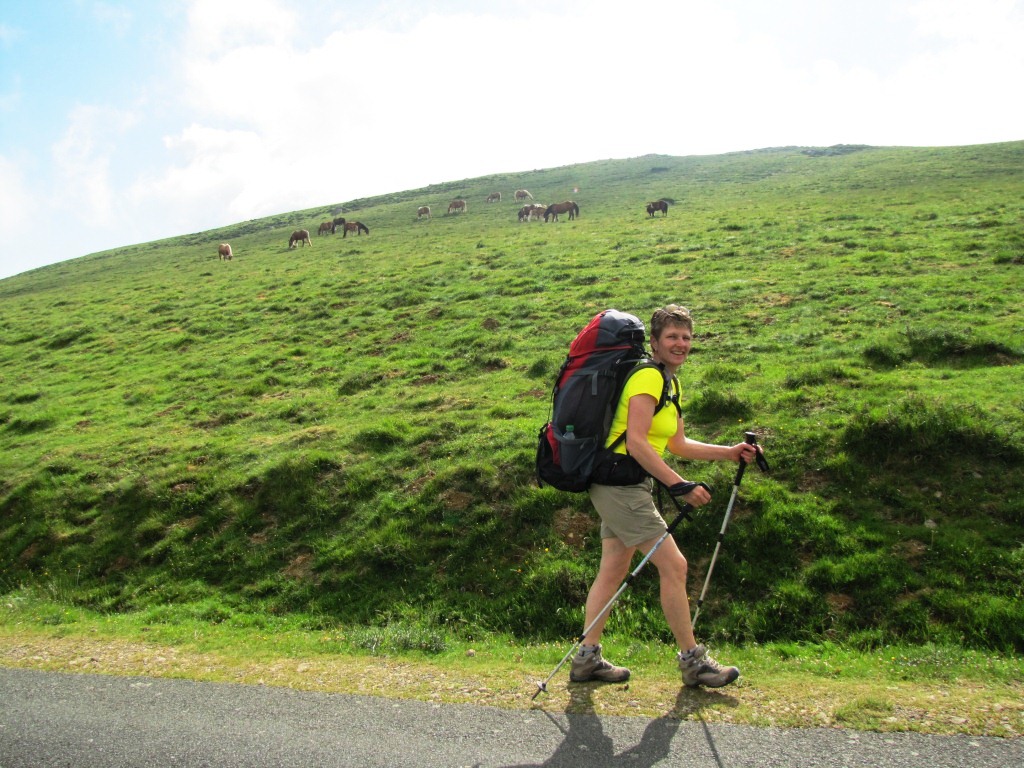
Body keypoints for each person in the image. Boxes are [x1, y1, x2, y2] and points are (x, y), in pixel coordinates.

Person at [569, 304, 762, 688]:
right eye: (672, 337)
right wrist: (679, 485)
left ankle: (586, 660)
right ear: (654, 342)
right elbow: (638, 443)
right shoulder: (647, 378)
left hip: (627, 483)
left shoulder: (669, 382)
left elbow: (677, 443)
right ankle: (694, 662)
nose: (681, 344)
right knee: (674, 566)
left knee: (612, 570)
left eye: (686, 337)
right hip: (619, 484)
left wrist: (729, 451)